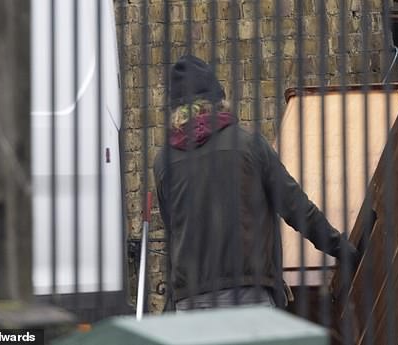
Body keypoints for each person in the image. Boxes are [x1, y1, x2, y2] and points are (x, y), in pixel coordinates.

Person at [153, 54, 360, 311]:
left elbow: (174, 231)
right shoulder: (249, 145)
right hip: (248, 297)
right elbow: (295, 206)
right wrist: (342, 249)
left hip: (192, 305)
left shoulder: (164, 162)